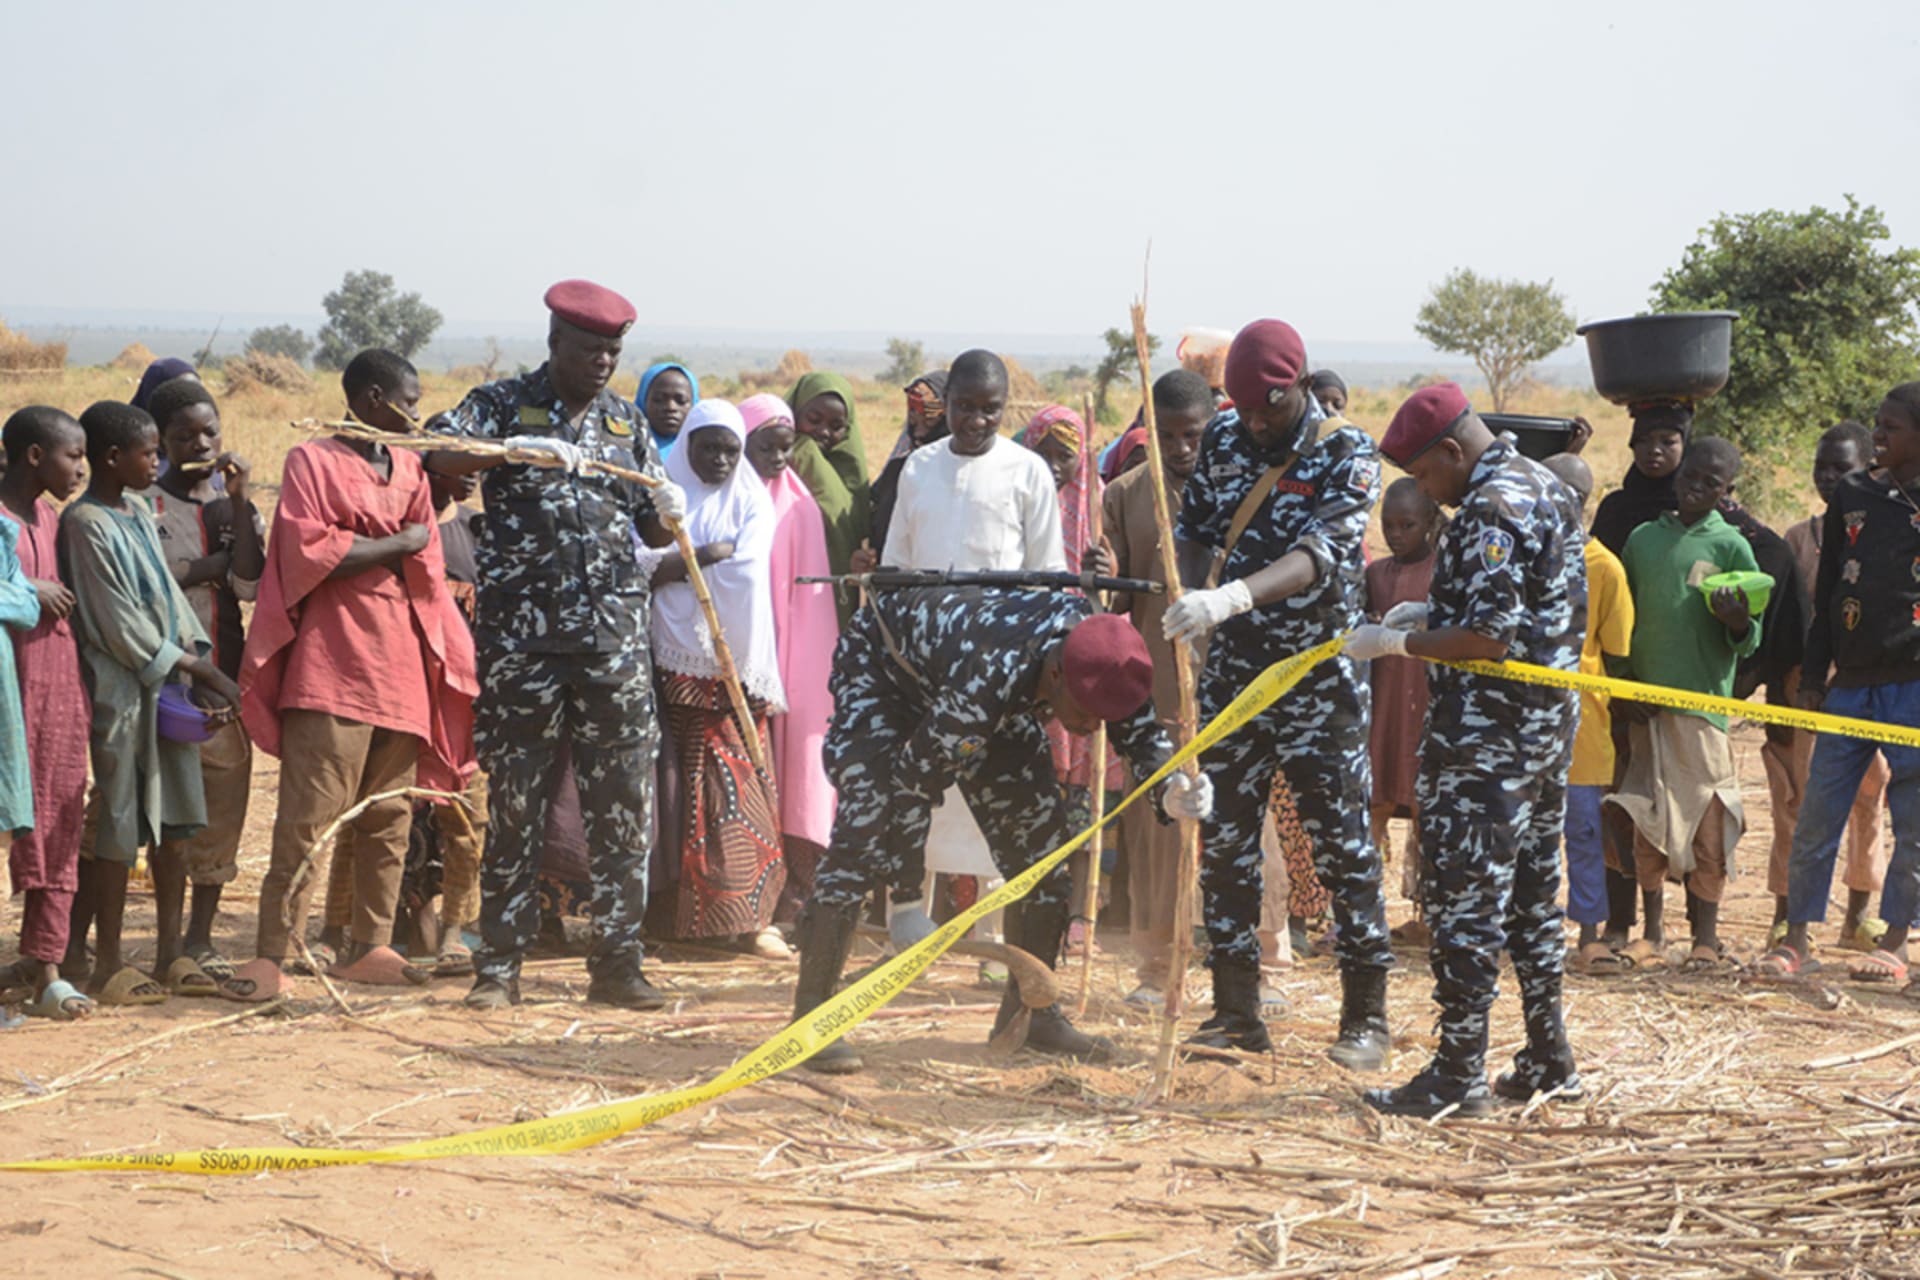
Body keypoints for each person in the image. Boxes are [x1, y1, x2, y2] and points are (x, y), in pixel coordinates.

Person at [788, 592, 1212, 1072]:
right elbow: (912, 782)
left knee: (1043, 851)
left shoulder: (1107, 656)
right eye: (1085, 714)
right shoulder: (986, 684)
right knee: (866, 827)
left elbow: (1140, 733)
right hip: (887, 671)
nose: (1093, 728)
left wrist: (1171, 789)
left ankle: (1034, 1017)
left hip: (990, 682)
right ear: (1056, 676)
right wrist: (905, 901)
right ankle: (812, 1019)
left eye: (1102, 718)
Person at [425, 280, 688, 1011]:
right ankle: (499, 966)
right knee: (516, 804)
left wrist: (669, 510)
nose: (603, 362)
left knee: (622, 808)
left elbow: (653, 529)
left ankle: (617, 964)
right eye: (590, 349)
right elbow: (438, 458)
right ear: (555, 344)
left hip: (612, 645)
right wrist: (505, 451)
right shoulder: (500, 405)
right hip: (524, 646)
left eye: (613, 350)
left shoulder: (624, 423)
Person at [1351, 382, 1586, 1116]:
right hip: (1544, 737)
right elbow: (1527, 606)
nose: (1429, 494)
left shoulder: (1489, 505)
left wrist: (1401, 640)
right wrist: (1436, 610)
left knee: (1466, 908)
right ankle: (1550, 1058)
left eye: (1425, 476)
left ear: (1453, 451)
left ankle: (1457, 1076)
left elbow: (1488, 639)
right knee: (1532, 905)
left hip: (1489, 743)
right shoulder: (1544, 482)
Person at [1161, 319, 1390, 1064]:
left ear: (1297, 385)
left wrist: (1231, 599)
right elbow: (1195, 526)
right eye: (1246, 409)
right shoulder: (1227, 440)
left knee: (1341, 847)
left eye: (1270, 408)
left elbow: (1319, 555)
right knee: (1225, 842)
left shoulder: (1345, 451)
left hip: (1318, 677)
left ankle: (1365, 1018)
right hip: (1236, 676)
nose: (1256, 424)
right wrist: (1193, 593)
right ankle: (1235, 1011)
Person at [221, 350, 477, 1002]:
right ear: (370, 397)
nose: (415, 415)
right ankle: (271, 955)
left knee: (389, 818)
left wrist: (369, 546)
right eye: (407, 402)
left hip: (401, 669)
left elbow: (426, 557)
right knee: (306, 820)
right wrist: (392, 544)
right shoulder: (312, 461)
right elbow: (310, 551)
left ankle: (370, 945)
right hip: (330, 667)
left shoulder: (411, 468)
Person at [877, 350, 1066, 953]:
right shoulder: (918, 468)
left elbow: (1047, 578)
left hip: (998, 677)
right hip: (923, 673)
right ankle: (906, 934)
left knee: (1002, 822)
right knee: (913, 803)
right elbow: (896, 569)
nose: (976, 422)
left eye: (990, 411)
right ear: (947, 404)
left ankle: (995, 948)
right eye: (964, 408)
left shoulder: (1027, 471)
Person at [62, 401, 240, 1006]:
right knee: (118, 819)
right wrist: (195, 665)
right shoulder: (84, 523)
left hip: (167, 689)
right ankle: (108, 963)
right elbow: (117, 624)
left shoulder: (136, 509)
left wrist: (194, 662)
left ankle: (170, 953)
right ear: (114, 458)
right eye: (148, 453)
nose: (157, 463)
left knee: (176, 822)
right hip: (122, 692)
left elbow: (169, 595)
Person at [1763, 385, 1920, 987]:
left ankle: (1897, 944)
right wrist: (1815, 673)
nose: (1880, 435)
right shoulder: (1855, 495)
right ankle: (1797, 940)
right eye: (1878, 425)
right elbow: (1827, 593)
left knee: (1910, 818)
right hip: (1849, 684)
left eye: (1894, 427)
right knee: (1818, 814)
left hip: (1911, 683)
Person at [637, 400, 789, 955]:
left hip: (730, 675)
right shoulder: (662, 498)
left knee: (732, 789)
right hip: (668, 668)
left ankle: (737, 916)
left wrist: (677, 567)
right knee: (672, 791)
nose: (722, 460)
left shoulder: (751, 502)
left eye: (731, 449)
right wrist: (699, 556)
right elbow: (639, 564)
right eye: (709, 449)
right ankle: (667, 919)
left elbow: (745, 572)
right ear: (687, 448)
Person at [1605, 438, 1760, 971]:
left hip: (1704, 710)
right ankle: (1651, 933)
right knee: (1648, 818)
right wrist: (1624, 687)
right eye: (1691, 476)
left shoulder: (1732, 546)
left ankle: (1706, 938)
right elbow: (1621, 620)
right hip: (1646, 706)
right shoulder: (1644, 539)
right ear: (1677, 476)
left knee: (1710, 822)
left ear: (1727, 491)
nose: (1697, 487)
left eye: (1711, 483)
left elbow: (1750, 637)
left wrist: (1738, 622)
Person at [139, 376, 265, 991]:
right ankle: (166, 944)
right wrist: (200, 568)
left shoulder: (229, 508)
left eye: (210, 431)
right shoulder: (143, 506)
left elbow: (247, 587)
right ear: (160, 441)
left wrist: (239, 503)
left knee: (222, 810)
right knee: (169, 818)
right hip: (162, 680)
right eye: (184, 434)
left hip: (224, 680)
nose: (201, 443)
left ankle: (202, 938)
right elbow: (146, 583)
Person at [1103, 370, 1212, 1005]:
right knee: (1157, 830)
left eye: (1192, 436)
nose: (1180, 450)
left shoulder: (1238, 489)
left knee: (1235, 827)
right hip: (1159, 691)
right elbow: (1115, 596)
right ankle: (1156, 966)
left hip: (1229, 686)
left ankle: (1247, 961)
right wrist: (1103, 573)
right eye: (1166, 436)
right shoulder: (1125, 493)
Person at [1769, 421, 1888, 952]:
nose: (1829, 477)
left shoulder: (1889, 533)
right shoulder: (1801, 538)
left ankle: (1860, 914)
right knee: (1798, 801)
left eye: (1843, 468)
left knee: (1870, 795)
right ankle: (1787, 915)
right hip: (1806, 690)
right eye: (1822, 468)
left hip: (1867, 686)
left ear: (1870, 468)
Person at [1021, 403, 1124, 952]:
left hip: (1083, 661)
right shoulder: (1018, 497)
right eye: (1045, 454)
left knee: (1088, 794)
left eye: (1066, 456)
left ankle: (1085, 907)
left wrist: (1102, 576)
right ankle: (1041, 901)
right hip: (1036, 667)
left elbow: (1118, 591)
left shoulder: (1101, 506)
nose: (1056, 467)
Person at [1, 408, 91, 1018]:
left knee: (61, 813)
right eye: (71, 455)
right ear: (34, 455)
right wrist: (29, 591)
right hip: (11, 689)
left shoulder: (54, 519)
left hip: (57, 687)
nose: (80, 468)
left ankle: (46, 963)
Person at [742, 394, 837, 923]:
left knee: (796, 771)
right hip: (731, 658)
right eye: (766, 449)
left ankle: (793, 899)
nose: (777, 461)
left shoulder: (801, 509)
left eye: (785, 450)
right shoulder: (723, 497)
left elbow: (814, 609)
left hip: (790, 663)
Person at [1540, 453, 1634, 973]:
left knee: (1583, 830)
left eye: (1567, 496)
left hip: (1583, 722)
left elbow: (1616, 646)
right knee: (1528, 831)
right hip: (1524, 722)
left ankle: (1590, 933)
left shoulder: (1606, 568)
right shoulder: (1525, 554)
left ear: (1585, 503)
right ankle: (1530, 926)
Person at [1366, 477, 1441, 935]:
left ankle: (1427, 915)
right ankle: (1364, 912)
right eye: (1388, 525)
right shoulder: (1376, 576)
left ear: (1431, 524)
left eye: (1407, 525)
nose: (1396, 534)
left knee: (1427, 811)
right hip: (1385, 705)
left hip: (1427, 707)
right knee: (1375, 799)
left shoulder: (1444, 572)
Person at [787, 371, 870, 623]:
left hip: (837, 595)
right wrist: (803, 452)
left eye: (836, 427)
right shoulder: (777, 458)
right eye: (813, 419)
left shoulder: (853, 471)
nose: (823, 432)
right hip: (787, 584)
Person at [870, 371, 947, 555]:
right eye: (912, 416)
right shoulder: (898, 469)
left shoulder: (961, 477)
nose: (918, 432)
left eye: (929, 419)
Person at [638, 362, 699, 457]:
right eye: (659, 399)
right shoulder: (626, 447)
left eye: (681, 401)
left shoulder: (703, 452)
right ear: (643, 401)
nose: (671, 407)